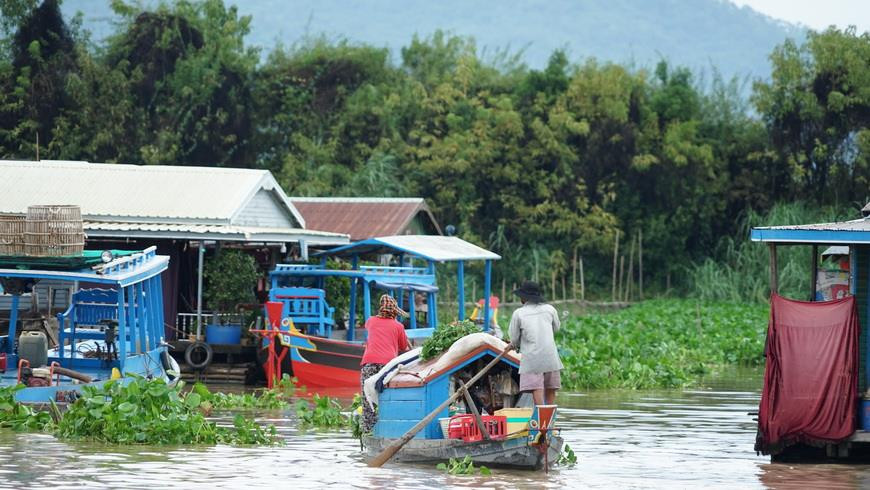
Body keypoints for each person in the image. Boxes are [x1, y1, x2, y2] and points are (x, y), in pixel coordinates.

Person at [505, 280, 562, 405]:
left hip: (532, 357)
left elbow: (514, 338)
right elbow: (556, 328)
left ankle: (541, 417)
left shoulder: (519, 313)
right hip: (550, 355)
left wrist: (513, 344)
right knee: (550, 386)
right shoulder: (550, 309)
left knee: (537, 387)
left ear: (523, 298)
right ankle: (549, 418)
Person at [360, 294, 411, 433]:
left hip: (369, 363)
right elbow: (403, 346)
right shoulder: (398, 326)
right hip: (387, 366)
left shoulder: (370, 321)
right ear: (394, 311)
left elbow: (374, 328)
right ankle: (388, 428)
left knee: (367, 397)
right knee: (387, 396)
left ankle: (368, 430)